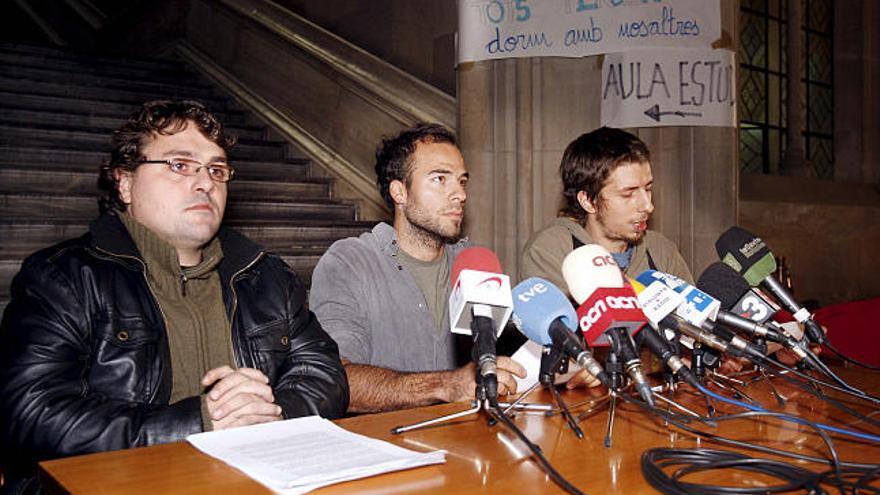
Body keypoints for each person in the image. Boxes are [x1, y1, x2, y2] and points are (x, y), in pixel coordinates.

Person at [0, 100, 348, 493]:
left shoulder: (266, 276)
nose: (206, 183)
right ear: (125, 182)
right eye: (180, 165)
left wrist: (273, 414)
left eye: (216, 169)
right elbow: (29, 413)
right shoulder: (63, 277)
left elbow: (325, 373)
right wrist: (201, 422)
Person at [309, 123, 525, 413]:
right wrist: (445, 385)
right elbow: (335, 380)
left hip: (471, 443)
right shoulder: (349, 262)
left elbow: (514, 353)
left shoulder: (474, 261)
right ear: (400, 192)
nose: (459, 194)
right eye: (440, 179)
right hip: (385, 448)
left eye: (462, 181)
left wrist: (557, 366)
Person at [521, 126, 693, 290]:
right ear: (588, 200)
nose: (648, 206)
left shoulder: (660, 250)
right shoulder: (553, 250)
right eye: (628, 194)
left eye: (647, 189)